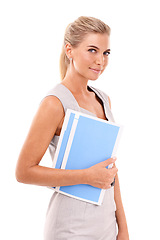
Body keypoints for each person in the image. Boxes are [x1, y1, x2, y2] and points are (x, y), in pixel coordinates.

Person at [16, 16, 129, 240]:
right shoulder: (54, 103)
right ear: (70, 50)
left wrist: (122, 228)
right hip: (70, 228)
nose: (100, 61)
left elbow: (110, 171)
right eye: (92, 50)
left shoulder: (103, 100)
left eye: (106, 53)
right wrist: (86, 176)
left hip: (106, 225)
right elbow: (23, 171)